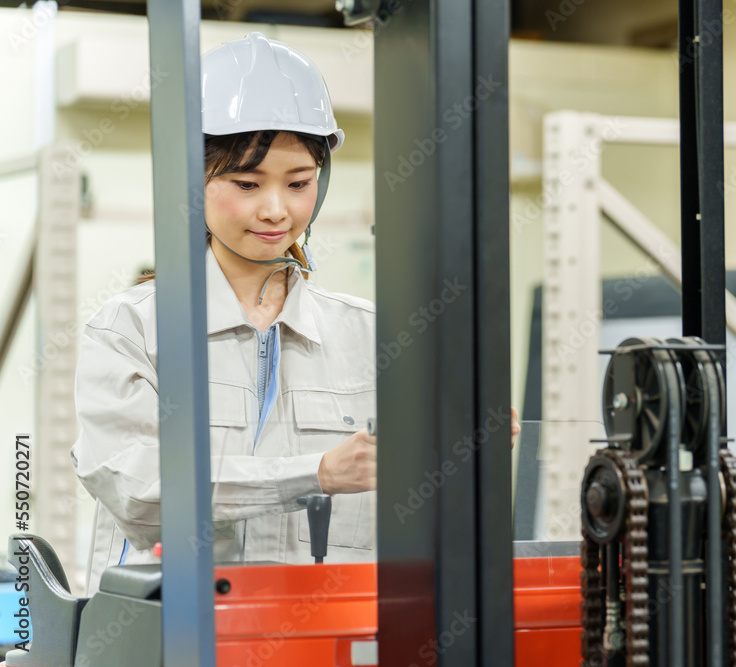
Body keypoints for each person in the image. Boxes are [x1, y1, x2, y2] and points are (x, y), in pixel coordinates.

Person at [70, 32, 518, 597]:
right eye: (246, 183)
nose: (276, 209)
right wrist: (319, 472)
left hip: (326, 638)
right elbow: (139, 494)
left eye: (299, 183)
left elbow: (422, 512)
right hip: (170, 638)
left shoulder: (375, 335)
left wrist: (465, 450)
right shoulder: (132, 328)